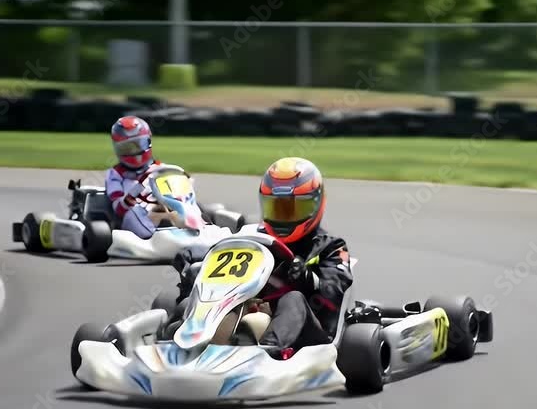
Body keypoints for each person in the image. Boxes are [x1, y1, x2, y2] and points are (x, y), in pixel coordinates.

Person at [165, 157, 355, 359]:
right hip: (253, 314)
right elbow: (221, 248)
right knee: (193, 300)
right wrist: (193, 259)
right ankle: (176, 342)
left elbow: (332, 297)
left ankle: (267, 352)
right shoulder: (252, 235)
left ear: (316, 204)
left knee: (293, 299)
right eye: (277, 208)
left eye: (294, 209)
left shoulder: (330, 247)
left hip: (306, 333)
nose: (284, 216)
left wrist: (307, 279)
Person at [104, 115, 188, 239]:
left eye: (139, 145)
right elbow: (118, 208)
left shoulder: (161, 169)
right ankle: (154, 237)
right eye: (127, 148)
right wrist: (137, 189)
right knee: (133, 211)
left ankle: (199, 226)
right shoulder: (115, 174)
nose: (133, 152)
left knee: (184, 203)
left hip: (163, 210)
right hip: (135, 215)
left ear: (148, 142)